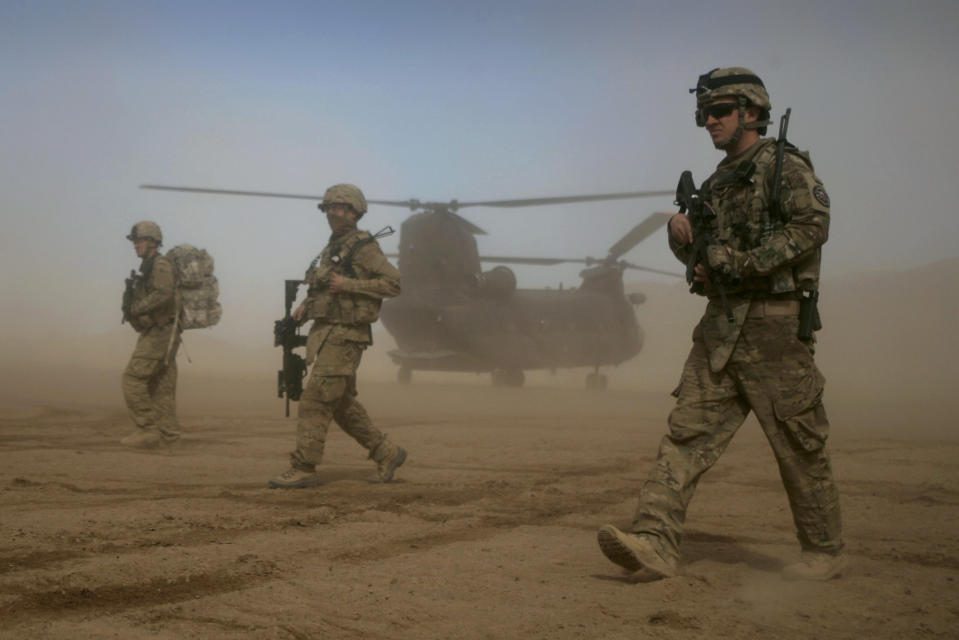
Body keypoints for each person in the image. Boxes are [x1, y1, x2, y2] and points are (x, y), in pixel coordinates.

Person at [598, 67, 844, 581]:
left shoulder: (784, 168)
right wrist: (680, 234)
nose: (709, 121)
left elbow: (812, 226)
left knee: (799, 447)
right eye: (704, 113)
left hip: (775, 331)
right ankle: (654, 542)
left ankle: (823, 552)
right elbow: (705, 259)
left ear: (751, 112)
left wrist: (743, 262)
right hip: (720, 330)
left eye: (720, 111)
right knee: (685, 438)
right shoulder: (715, 184)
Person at [269, 183, 407, 488]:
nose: (334, 213)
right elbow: (324, 287)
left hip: (347, 335)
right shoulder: (334, 247)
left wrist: (349, 286)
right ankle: (387, 452)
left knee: (315, 399)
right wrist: (305, 307)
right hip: (327, 332)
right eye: (329, 208)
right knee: (340, 404)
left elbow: (393, 284)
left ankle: (304, 466)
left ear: (355, 212)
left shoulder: (365, 246)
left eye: (340, 208)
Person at [121, 220, 181, 448]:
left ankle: (147, 428)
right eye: (135, 242)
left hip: (160, 333)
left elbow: (163, 293)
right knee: (162, 388)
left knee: (132, 379)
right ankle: (170, 440)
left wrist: (137, 308)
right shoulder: (150, 266)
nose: (136, 245)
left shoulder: (160, 264)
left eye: (139, 241)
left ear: (153, 242)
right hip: (165, 332)